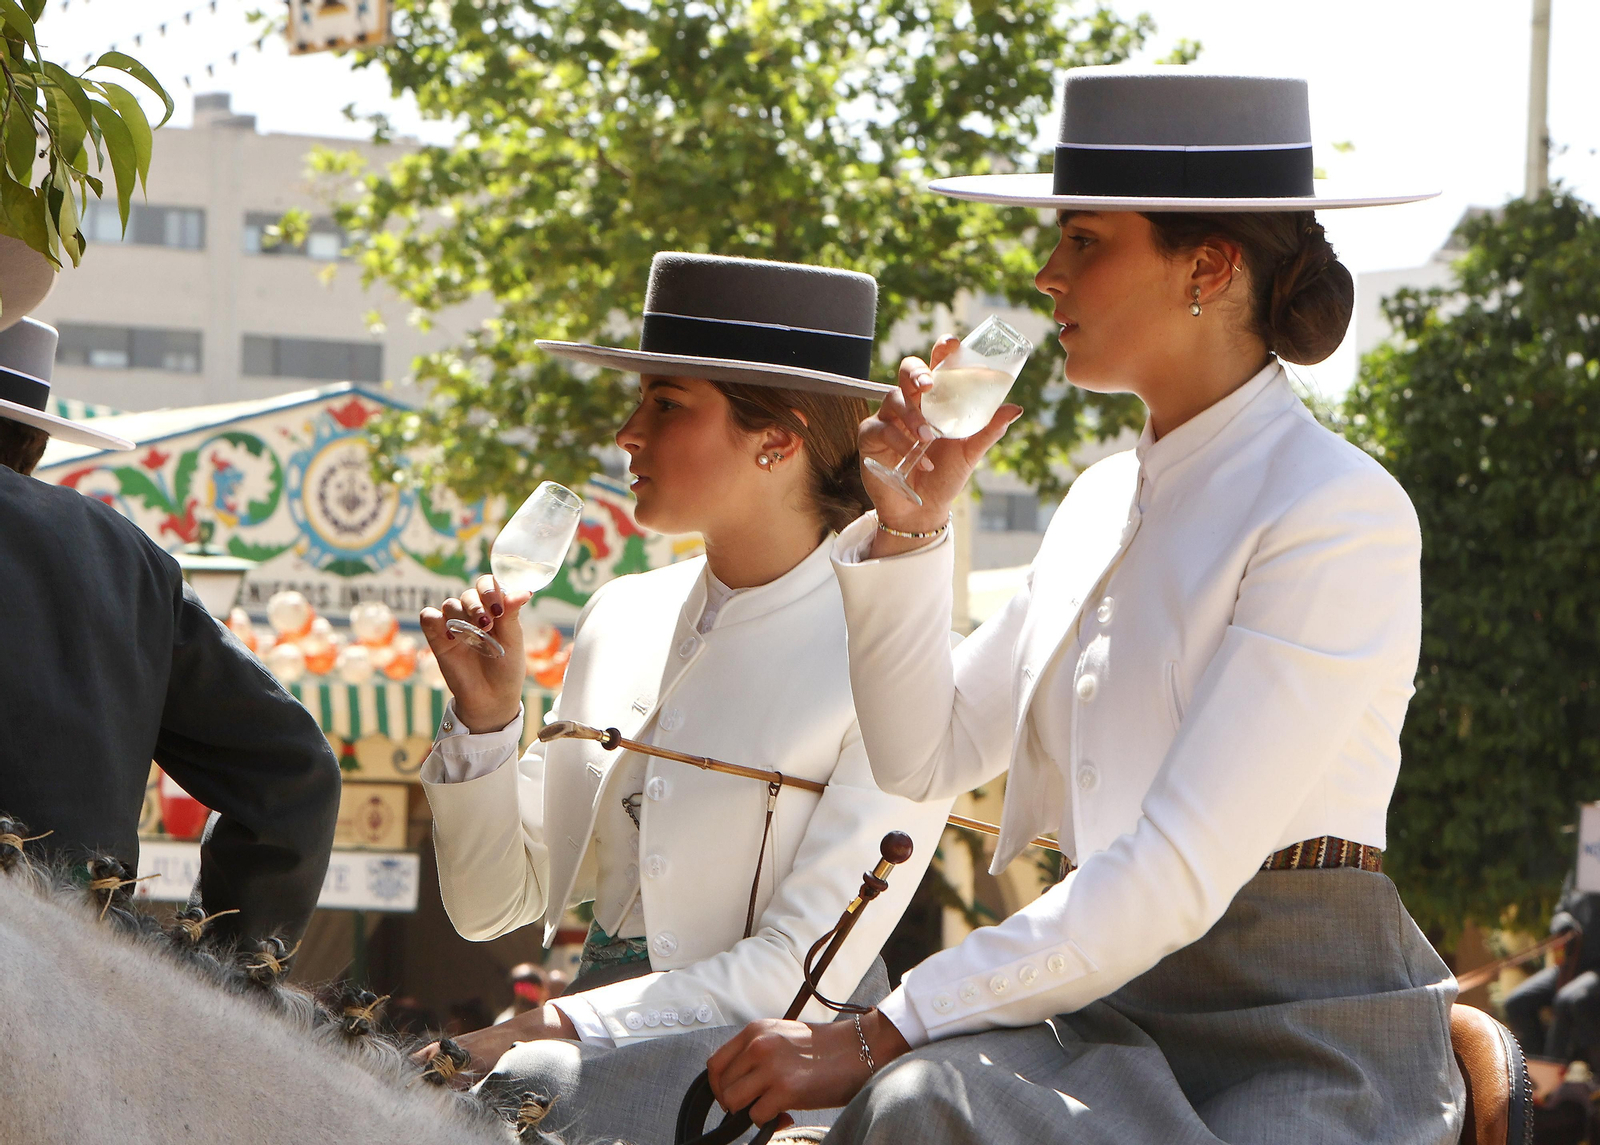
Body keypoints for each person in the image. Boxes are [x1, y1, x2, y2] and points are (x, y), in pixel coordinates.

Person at [706, 67, 1465, 1144]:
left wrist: (884, 1026)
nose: (1044, 275)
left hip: (1298, 1032)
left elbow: (1177, 869)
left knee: (916, 1092)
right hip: (1096, 1015)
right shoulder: (1100, 498)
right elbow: (924, 755)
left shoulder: (1337, 509)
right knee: (918, 1104)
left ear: (1207, 264)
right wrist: (913, 531)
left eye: (1083, 241)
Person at [416, 254, 952, 1139]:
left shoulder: (900, 654)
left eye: (666, 404)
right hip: (584, 1070)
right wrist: (485, 724)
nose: (627, 432)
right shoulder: (618, 614)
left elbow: (798, 970)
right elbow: (493, 908)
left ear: (776, 438)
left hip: (779, 1101)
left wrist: (545, 1024)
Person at [0, 313, 341, 946]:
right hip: (71, 969)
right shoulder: (128, 561)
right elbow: (296, 775)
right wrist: (227, 977)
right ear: (35, 443)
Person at [1504, 874, 1600, 1063]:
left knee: (1566, 999)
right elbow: (1560, 910)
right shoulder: (1582, 867)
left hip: (1597, 969)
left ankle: (1552, 1069)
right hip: (1570, 965)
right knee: (1516, 1003)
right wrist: (1561, 920)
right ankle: (1533, 1067)